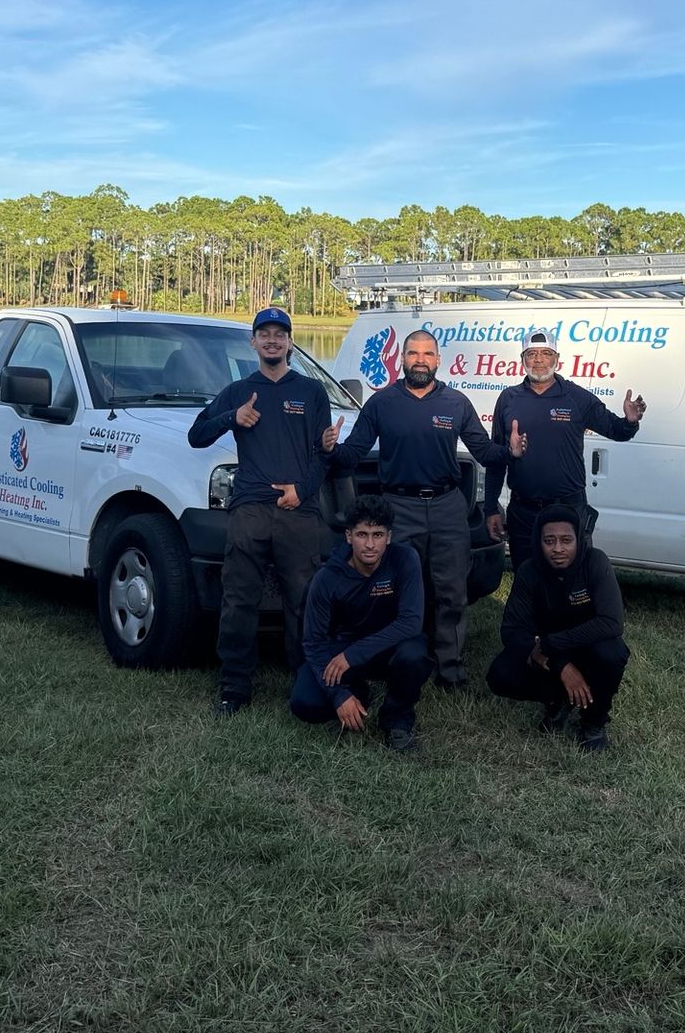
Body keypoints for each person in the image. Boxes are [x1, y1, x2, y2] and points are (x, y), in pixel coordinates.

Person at [329, 329, 517, 691]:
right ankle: (400, 661)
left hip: (448, 507)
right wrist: (330, 449)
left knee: (451, 591)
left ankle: (450, 670)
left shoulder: (456, 403)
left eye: (427, 354)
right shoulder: (381, 403)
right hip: (398, 507)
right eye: (413, 353)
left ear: (437, 360)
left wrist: (511, 451)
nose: (420, 360)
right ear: (402, 359)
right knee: (396, 590)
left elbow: (485, 453)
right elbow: (352, 454)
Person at [188, 306, 339, 717]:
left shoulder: (311, 392)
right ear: (252, 342)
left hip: (298, 511)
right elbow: (196, 435)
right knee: (239, 600)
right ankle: (234, 688)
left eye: (280, 334)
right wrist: (230, 418)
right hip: (249, 509)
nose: (273, 340)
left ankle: (306, 681)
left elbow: (323, 456)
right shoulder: (239, 391)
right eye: (264, 334)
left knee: (304, 601)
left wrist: (301, 491)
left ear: (290, 342)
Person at [485, 328, 647, 568]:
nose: (539, 360)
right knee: (527, 581)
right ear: (522, 360)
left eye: (546, 353)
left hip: (569, 510)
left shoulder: (577, 397)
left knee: (572, 585)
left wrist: (631, 422)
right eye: (531, 354)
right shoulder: (508, 399)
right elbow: (496, 459)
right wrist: (491, 508)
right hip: (523, 512)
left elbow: (617, 431)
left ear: (557, 359)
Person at [486, 503, 629, 753]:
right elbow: (512, 631)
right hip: (549, 656)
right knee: (501, 674)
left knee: (612, 653)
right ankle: (558, 699)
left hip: (583, 649)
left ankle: (593, 721)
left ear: (579, 540)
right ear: (538, 542)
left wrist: (552, 644)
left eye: (566, 540)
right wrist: (560, 664)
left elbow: (612, 622)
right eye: (549, 541)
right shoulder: (529, 571)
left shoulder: (595, 562)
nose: (558, 549)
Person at [290, 495, 429, 752]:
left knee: (415, 654)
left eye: (377, 535)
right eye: (362, 534)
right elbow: (313, 643)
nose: (370, 545)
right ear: (348, 536)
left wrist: (353, 655)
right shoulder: (327, 578)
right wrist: (338, 695)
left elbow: (411, 623)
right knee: (304, 703)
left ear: (388, 537)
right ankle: (355, 693)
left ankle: (397, 721)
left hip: (385, 650)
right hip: (341, 651)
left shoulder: (404, 559)